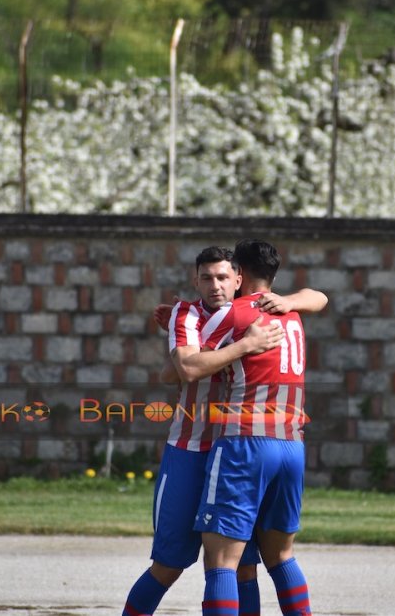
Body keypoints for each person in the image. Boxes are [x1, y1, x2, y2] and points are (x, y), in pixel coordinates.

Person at [122, 246, 327, 616]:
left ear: (238, 278)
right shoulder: (189, 314)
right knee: (169, 565)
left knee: (240, 566)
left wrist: (285, 301)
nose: (215, 285)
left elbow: (316, 296)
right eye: (206, 278)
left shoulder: (250, 311)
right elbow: (178, 371)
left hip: (237, 449)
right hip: (192, 447)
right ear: (195, 280)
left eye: (222, 277)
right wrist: (241, 343)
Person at [172, 239, 315, 616]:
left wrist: (172, 319)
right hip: (292, 444)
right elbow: (319, 297)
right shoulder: (292, 314)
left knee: (221, 562)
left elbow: (189, 363)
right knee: (282, 556)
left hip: (246, 442)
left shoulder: (235, 314)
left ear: (240, 274)